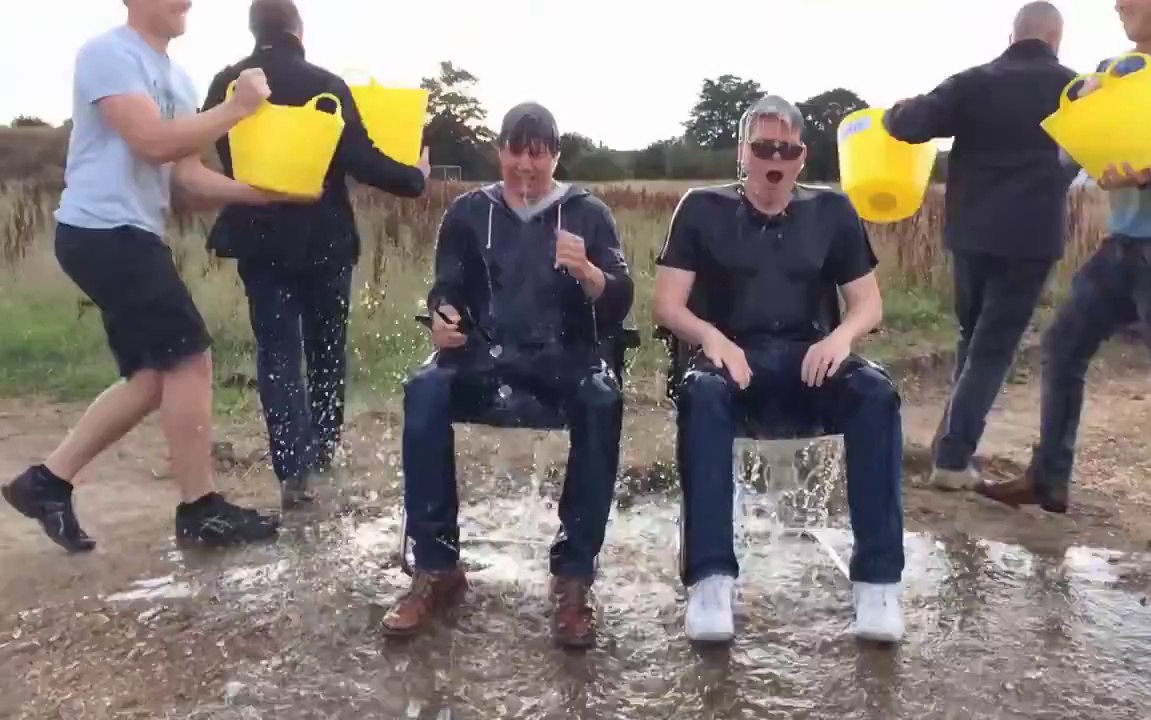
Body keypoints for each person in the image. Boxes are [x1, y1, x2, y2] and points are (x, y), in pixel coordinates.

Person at [2, 0, 305, 552]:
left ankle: (46, 483)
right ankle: (199, 509)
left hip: (134, 233)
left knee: (154, 376)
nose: (188, 2)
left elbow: (184, 181)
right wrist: (236, 108)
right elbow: (151, 141)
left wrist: (265, 195)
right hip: (100, 229)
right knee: (189, 356)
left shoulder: (178, 80)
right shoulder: (108, 55)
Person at [976, 0, 1151, 558]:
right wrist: (1078, 128)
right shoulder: (1111, 71)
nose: (1118, 4)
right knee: (1061, 346)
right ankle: (1049, 479)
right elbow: (1070, 161)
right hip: (1122, 248)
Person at [379, 102, 634, 648]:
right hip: (484, 355)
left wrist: (589, 272)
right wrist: (444, 319)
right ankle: (436, 565)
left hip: (565, 357)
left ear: (554, 156)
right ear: (500, 151)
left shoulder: (588, 213)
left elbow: (619, 298)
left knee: (602, 398)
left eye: (536, 154)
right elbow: (446, 287)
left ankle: (573, 576)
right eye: (515, 151)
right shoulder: (470, 212)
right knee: (424, 387)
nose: (524, 165)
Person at [653, 95, 906, 644]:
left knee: (876, 394)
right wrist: (711, 337)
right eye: (763, 147)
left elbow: (868, 303)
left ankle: (878, 582)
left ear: (802, 157)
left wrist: (841, 337)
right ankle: (711, 578)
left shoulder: (833, 212)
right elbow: (667, 304)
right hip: (730, 358)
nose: (775, 160)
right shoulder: (700, 207)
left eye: (786, 150)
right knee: (701, 394)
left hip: (808, 358)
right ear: (743, 152)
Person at [202, 0, 432, 509]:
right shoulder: (326, 84)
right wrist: (416, 176)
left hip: (258, 239)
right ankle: (323, 450)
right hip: (324, 240)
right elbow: (362, 159)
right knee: (326, 349)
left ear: (253, 29)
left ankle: (293, 470)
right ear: (297, 31)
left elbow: (220, 150)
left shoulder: (225, 83)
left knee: (277, 352)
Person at [882, 1, 1078, 490]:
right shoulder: (1074, 89)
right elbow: (1099, 151)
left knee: (973, 342)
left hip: (970, 235)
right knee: (990, 351)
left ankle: (950, 443)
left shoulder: (973, 82)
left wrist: (895, 112)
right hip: (1031, 239)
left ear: (1012, 38)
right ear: (1056, 40)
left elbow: (909, 125)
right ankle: (952, 457)